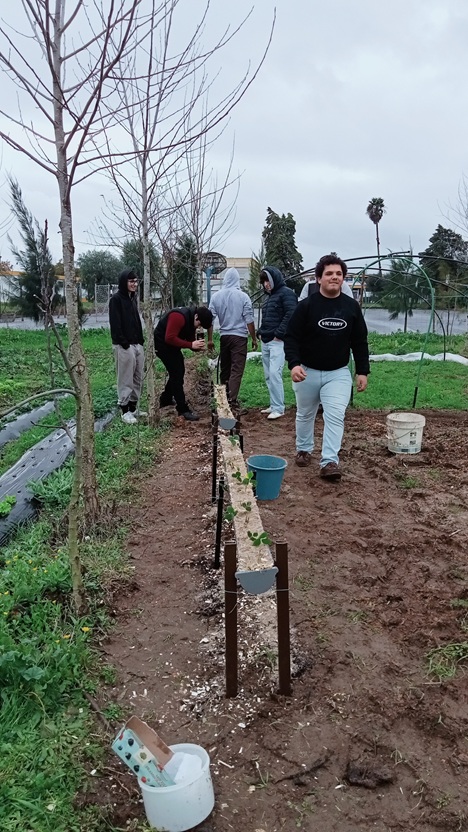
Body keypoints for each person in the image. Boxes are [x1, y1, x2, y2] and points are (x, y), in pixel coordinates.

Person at [284, 254, 370, 481]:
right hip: (307, 371)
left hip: (338, 373)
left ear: (343, 279)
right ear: (319, 278)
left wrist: (362, 371)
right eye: (329, 273)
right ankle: (303, 449)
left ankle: (329, 461)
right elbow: (291, 337)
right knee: (305, 413)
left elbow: (360, 341)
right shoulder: (306, 307)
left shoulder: (351, 307)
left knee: (335, 414)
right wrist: (293, 365)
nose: (334, 277)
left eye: (339, 274)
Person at [208, 267, 257, 413]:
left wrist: (210, 339)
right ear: (237, 280)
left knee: (225, 368)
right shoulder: (243, 296)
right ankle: (232, 402)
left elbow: (210, 319)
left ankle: (222, 400)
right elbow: (249, 319)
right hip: (239, 338)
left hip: (224, 337)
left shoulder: (216, 297)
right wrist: (254, 338)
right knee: (236, 369)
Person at [154, 304, 213, 421]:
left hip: (171, 346)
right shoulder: (178, 317)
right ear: (196, 317)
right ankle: (182, 409)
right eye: (199, 324)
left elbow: (189, 335)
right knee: (177, 373)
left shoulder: (192, 318)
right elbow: (169, 338)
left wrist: (194, 346)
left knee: (178, 370)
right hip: (163, 345)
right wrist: (190, 344)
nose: (199, 327)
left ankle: (165, 398)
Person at [257, 266, 297, 420]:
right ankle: (274, 405)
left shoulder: (286, 294)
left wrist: (279, 334)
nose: (266, 284)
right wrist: (261, 332)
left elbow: (291, 314)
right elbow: (267, 318)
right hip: (266, 340)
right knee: (268, 375)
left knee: (275, 373)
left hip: (277, 342)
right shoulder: (269, 297)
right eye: (264, 281)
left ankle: (279, 408)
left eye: (268, 280)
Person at [109, 268, 145, 425]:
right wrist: (124, 343)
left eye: (136, 281)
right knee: (125, 378)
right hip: (124, 346)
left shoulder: (132, 299)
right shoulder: (116, 300)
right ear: (124, 282)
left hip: (137, 344)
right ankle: (124, 410)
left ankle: (133, 407)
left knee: (138, 377)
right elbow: (115, 324)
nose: (134, 284)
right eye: (131, 281)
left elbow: (136, 320)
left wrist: (140, 340)